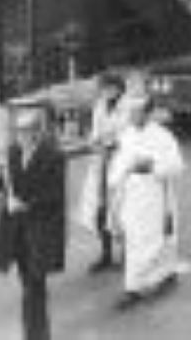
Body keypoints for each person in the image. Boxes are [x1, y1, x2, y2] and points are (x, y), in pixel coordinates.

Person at [0, 101, 66, 340]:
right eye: (19, 131)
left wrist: (25, 205)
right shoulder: (10, 153)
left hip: (39, 234)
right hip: (15, 234)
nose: (22, 136)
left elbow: (54, 197)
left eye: (27, 131)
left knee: (34, 287)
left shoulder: (54, 156)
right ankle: (35, 333)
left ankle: (37, 335)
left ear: (37, 131)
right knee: (28, 286)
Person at [108, 97, 184, 309]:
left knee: (159, 238)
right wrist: (115, 181)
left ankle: (166, 274)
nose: (132, 116)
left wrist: (152, 166)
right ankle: (132, 288)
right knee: (133, 240)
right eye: (130, 112)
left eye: (137, 112)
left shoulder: (163, 136)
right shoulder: (126, 135)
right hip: (131, 196)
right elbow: (119, 164)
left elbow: (177, 165)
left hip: (155, 194)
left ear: (148, 113)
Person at [78, 72, 129, 273]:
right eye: (104, 88)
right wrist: (94, 142)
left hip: (120, 162)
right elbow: (94, 133)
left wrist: (113, 143)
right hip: (101, 162)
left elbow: (128, 135)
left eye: (111, 87)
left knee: (121, 210)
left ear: (119, 88)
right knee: (100, 209)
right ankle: (105, 254)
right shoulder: (100, 106)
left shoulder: (127, 106)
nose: (107, 91)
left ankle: (127, 254)